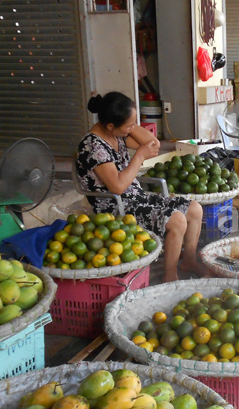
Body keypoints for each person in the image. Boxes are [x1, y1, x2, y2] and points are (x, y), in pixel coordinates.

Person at [76, 92, 207, 282]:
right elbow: (118, 187)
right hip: (115, 207)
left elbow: (153, 144)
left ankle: (188, 260)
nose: (131, 129)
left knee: (194, 208)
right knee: (177, 220)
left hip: (137, 198)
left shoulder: (116, 134)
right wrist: (138, 156)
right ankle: (170, 276)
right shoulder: (92, 147)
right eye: (128, 126)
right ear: (111, 126)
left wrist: (129, 121)